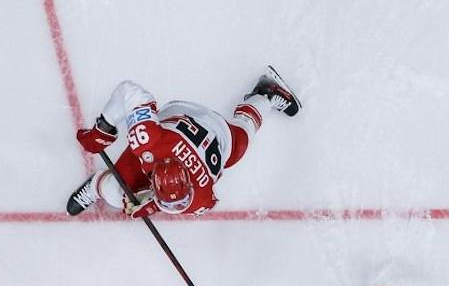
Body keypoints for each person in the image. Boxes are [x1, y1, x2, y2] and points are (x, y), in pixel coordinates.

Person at [64, 67, 300, 217]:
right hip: (183, 119)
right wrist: (103, 127)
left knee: (237, 147)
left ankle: (267, 95)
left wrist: (151, 201)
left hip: (215, 130)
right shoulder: (149, 142)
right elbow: (130, 92)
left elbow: (130, 91)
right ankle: (265, 95)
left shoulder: (201, 198)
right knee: (118, 192)